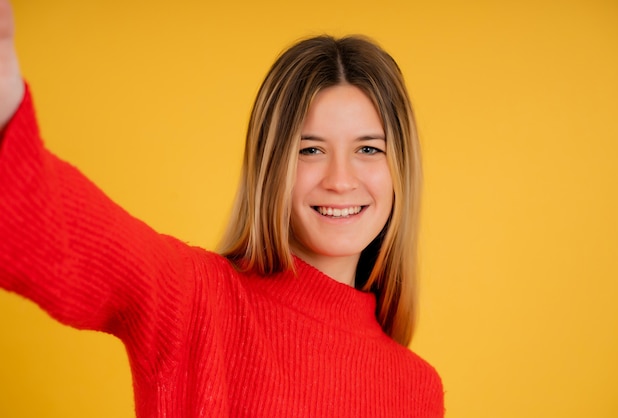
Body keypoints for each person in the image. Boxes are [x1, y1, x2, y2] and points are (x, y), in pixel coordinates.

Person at [0, 0, 444, 416]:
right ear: (271, 165)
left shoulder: (418, 388)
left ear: (400, 168)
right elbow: (72, 234)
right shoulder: (197, 299)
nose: (341, 179)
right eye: (310, 150)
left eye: (368, 149)